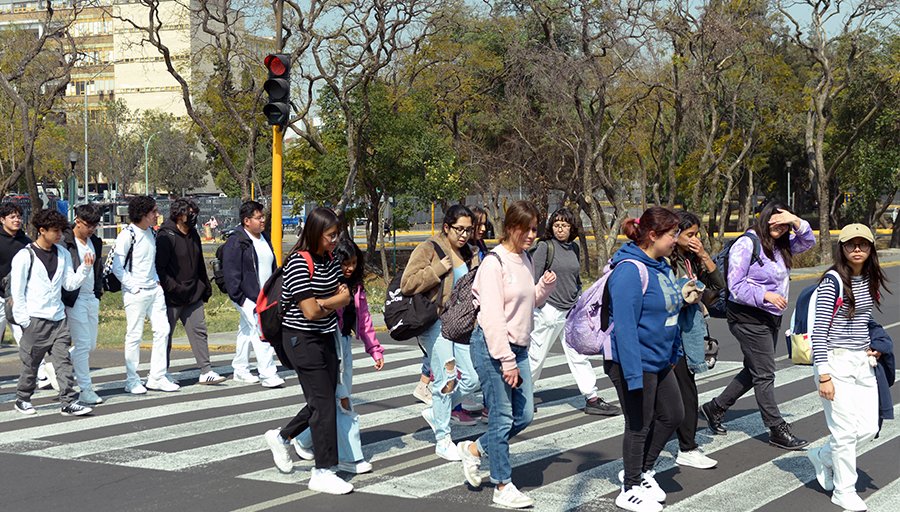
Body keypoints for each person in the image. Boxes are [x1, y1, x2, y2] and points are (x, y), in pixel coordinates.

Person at [458, 200, 556, 509]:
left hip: (519, 346)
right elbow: (491, 318)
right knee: (501, 419)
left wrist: (543, 289)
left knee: (523, 415)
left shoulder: (524, 258)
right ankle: (502, 485)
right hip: (493, 347)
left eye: (534, 229)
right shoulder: (494, 263)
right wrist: (507, 360)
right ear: (510, 228)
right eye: (526, 229)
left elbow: (526, 304)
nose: (531, 235)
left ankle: (474, 449)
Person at [701, 202, 815, 449]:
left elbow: (808, 242)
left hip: (769, 317)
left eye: (786, 225)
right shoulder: (747, 244)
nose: (782, 228)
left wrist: (795, 219)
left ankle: (715, 407)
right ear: (765, 219)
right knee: (764, 374)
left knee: (754, 369)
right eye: (777, 222)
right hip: (747, 317)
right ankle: (776, 428)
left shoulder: (779, 244)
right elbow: (735, 286)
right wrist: (765, 295)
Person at [599, 207, 686, 512]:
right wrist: (634, 376)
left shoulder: (661, 265)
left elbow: (669, 311)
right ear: (653, 235)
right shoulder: (629, 271)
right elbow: (624, 328)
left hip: (660, 359)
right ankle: (629, 488)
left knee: (673, 415)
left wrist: (674, 352)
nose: (676, 240)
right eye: (672, 234)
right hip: (632, 361)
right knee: (639, 424)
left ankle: (643, 469)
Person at [263, 207, 353, 495]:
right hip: (301, 339)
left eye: (337, 235)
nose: (335, 241)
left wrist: (333, 300)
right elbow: (311, 310)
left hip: (326, 337)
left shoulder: (328, 259)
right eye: (330, 235)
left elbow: (341, 296)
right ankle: (323, 471)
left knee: (323, 399)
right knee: (324, 403)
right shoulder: (298, 263)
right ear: (315, 233)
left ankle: (282, 436)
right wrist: (335, 300)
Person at [807, 224, 889, 512]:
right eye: (851, 244)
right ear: (841, 248)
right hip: (835, 360)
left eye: (863, 244)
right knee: (843, 432)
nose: (857, 249)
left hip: (862, 361)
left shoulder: (868, 277)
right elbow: (818, 331)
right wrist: (824, 374)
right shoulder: (833, 281)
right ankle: (844, 490)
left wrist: (872, 344)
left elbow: (862, 320)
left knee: (867, 427)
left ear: (870, 248)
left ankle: (823, 456)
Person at [292, 237, 385, 474]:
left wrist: (374, 349)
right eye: (345, 263)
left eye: (354, 263)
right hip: (326, 342)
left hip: (343, 343)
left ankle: (303, 439)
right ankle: (350, 456)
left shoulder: (356, 287)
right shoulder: (326, 280)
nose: (350, 268)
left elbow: (364, 321)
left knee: (338, 399)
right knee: (342, 401)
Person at [401, 204, 482, 460]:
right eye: (459, 229)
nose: (464, 235)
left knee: (473, 377)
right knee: (446, 379)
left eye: (469, 230)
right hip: (435, 323)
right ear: (446, 227)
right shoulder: (429, 248)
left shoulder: (471, 253)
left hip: (462, 324)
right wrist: (437, 270)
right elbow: (407, 284)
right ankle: (443, 440)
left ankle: (438, 412)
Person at [528, 207, 621, 416]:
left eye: (565, 225)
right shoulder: (545, 247)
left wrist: (579, 297)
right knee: (536, 356)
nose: (560, 229)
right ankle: (523, 397)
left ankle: (592, 397)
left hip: (571, 310)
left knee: (579, 354)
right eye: (557, 225)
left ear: (572, 228)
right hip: (549, 310)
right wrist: (540, 305)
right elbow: (532, 279)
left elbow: (575, 278)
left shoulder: (574, 248)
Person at [11, 208, 93, 416]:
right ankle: (22, 398)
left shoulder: (63, 253)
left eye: (61, 231)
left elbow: (69, 284)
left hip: (58, 318)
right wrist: (24, 321)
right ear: (41, 230)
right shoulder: (25, 256)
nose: (59, 235)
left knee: (63, 361)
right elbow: (17, 291)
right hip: (35, 319)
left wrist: (84, 269)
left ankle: (68, 401)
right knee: (31, 363)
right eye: (55, 231)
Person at [668, 211, 724, 469]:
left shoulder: (691, 258)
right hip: (667, 332)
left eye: (696, 234)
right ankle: (685, 446)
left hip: (687, 330)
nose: (695, 239)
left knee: (685, 389)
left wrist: (702, 254)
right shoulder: (665, 258)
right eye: (689, 234)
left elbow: (718, 283)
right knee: (681, 394)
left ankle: (686, 445)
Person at [156, 198, 226, 385]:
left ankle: (205, 370)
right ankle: (161, 372)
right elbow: (160, 269)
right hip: (171, 297)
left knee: (199, 331)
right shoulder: (166, 236)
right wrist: (173, 287)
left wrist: (205, 286)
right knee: (165, 335)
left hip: (193, 293)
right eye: (190, 213)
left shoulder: (193, 233)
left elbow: (199, 262)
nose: (194, 217)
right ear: (179, 215)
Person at [112, 195, 176, 394]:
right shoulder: (127, 235)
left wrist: (156, 281)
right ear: (142, 214)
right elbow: (116, 266)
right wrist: (134, 287)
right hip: (135, 292)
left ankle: (157, 376)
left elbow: (150, 262)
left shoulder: (151, 233)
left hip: (154, 290)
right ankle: (132, 379)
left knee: (163, 330)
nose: (157, 215)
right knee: (134, 335)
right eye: (153, 212)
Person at [221, 201, 285, 388]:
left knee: (246, 331)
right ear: (246, 221)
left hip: (264, 296)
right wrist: (239, 297)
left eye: (262, 216)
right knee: (261, 331)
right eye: (258, 217)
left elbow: (271, 266)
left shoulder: (264, 237)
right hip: (246, 297)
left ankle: (240, 369)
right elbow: (231, 272)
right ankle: (268, 373)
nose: (263, 220)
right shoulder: (237, 241)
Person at [61, 204, 105, 405]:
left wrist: (97, 292)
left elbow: (97, 268)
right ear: (77, 220)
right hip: (73, 299)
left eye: (95, 225)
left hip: (91, 297)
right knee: (82, 345)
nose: (92, 229)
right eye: (89, 225)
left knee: (90, 346)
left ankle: (59, 362)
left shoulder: (95, 241)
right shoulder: (66, 241)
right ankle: (86, 389)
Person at [0, 203, 31, 346]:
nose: (16, 220)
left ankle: (37, 368)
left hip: (19, 298)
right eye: (12, 217)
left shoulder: (26, 242)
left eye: (19, 217)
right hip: (1, 298)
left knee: (25, 340)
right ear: (2, 219)